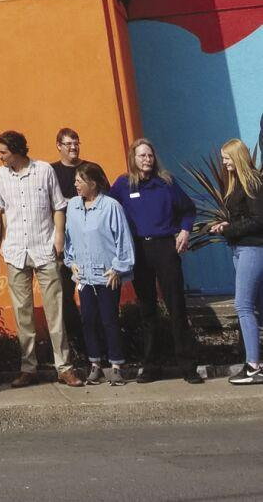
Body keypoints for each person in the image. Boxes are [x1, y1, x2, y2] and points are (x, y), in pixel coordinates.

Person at [0, 129, 82, 388]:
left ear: (17, 151)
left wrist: (59, 239)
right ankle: (28, 367)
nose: (0, 157)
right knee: (23, 313)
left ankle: (64, 367)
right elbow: (3, 211)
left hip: (44, 248)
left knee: (55, 310)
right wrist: (3, 242)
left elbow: (59, 206)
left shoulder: (43, 170)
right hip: (16, 251)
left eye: (3, 152)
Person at [110, 137, 201, 383]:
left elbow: (188, 210)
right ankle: (151, 366)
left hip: (165, 248)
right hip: (138, 250)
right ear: (133, 158)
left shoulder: (166, 183)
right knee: (147, 310)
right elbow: (108, 211)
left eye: (150, 155)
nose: (147, 159)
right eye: (142, 155)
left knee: (176, 306)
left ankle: (188, 366)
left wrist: (184, 231)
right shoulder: (122, 185)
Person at [63, 160, 133, 385]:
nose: (76, 184)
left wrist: (119, 268)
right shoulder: (73, 206)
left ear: (93, 183)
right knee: (88, 320)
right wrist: (70, 260)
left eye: (80, 180)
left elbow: (123, 239)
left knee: (109, 320)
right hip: (84, 276)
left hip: (106, 275)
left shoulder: (111, 206)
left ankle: (116, 365)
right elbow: (69, 236)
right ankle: (95, 364)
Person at [207, 138, 263, 383]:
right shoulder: (237, 183)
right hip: (241, 249)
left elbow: (258, 220)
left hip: (252, 249)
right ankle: (254, 363)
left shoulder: (252, 182)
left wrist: (229, 230)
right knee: (256, 306)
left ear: (237, 156)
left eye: (227, 157)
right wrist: (228, 226)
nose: (224, 162)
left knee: (243, 306)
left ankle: (253, 366)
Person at [51, 127, 87, 363]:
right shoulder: (51, 172)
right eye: (68, 144)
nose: (73, 148)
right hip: (62, 246)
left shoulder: (89, 170)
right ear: (59, 146)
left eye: (76, 143)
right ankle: (77, 345)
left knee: (92, 295)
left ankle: (97, 347)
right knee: (64, 298)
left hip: (88, 244)